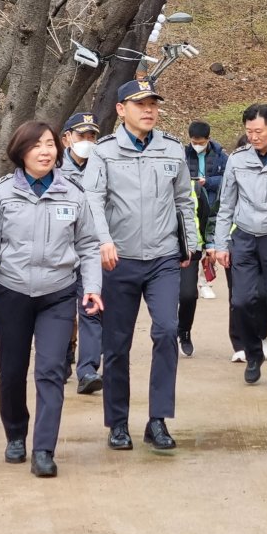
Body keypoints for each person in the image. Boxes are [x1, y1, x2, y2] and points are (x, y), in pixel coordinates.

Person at [0, 121, 102, 477]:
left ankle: (44, 448)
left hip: (57, 294)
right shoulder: (1, 194)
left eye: (49, 144)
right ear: (21, 152)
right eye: (36, 146)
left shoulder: (72, 194)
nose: (45, 151)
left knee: (50, 370)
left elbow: (89, 246)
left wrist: (92, 287)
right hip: (10, 293)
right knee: (12, 371)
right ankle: (16, 434)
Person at [84, 79, 197, 451]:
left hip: (163, 258)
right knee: (117, 344)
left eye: (152, 103)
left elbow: (184, 200)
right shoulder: (104, 153)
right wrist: (104, 241)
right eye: (139, 104)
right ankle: (118, 422)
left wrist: (190, 244)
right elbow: (93, 200)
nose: (148, 110)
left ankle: (158, 420)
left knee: (166, 332)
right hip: (120, 261)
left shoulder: (171, 150)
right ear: (121, 110)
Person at [214, 104, 267, 391]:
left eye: (258, 131)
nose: (254, 137)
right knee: (241, 301)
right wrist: (220, 243)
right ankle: (253, 354)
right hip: (245, 239)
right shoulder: (237, 160)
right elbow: (227, 204)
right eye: (249, 132)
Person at [59, 112, 105, 395]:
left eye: (92, 137)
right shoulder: (52, 170)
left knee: (91, 309)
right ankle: (63, 356)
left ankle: (88, 370)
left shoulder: (104, 168)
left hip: (93, 252)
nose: (87, 141)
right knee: (62, 313)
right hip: (61, 254)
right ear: (67, 138)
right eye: (81, 135)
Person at [185, 120, 227, 299]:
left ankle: (205, 282)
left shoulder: (220, 156)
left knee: (210, 244)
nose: (197, 146)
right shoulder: (183, 154)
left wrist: (207, 182)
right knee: (194, 242)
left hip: (211, 202)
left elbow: (227, 178)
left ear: (208, 139)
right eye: (194, 142)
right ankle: (190, 282)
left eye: (201, 143)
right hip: (191, 202)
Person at [177, 180, 210, 357]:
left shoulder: (195, 187)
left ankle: (184, 331)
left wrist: (208, 245)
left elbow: (205, 215)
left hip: (191, 249)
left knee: (188, 294)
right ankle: (165, 333)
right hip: (161, 249)